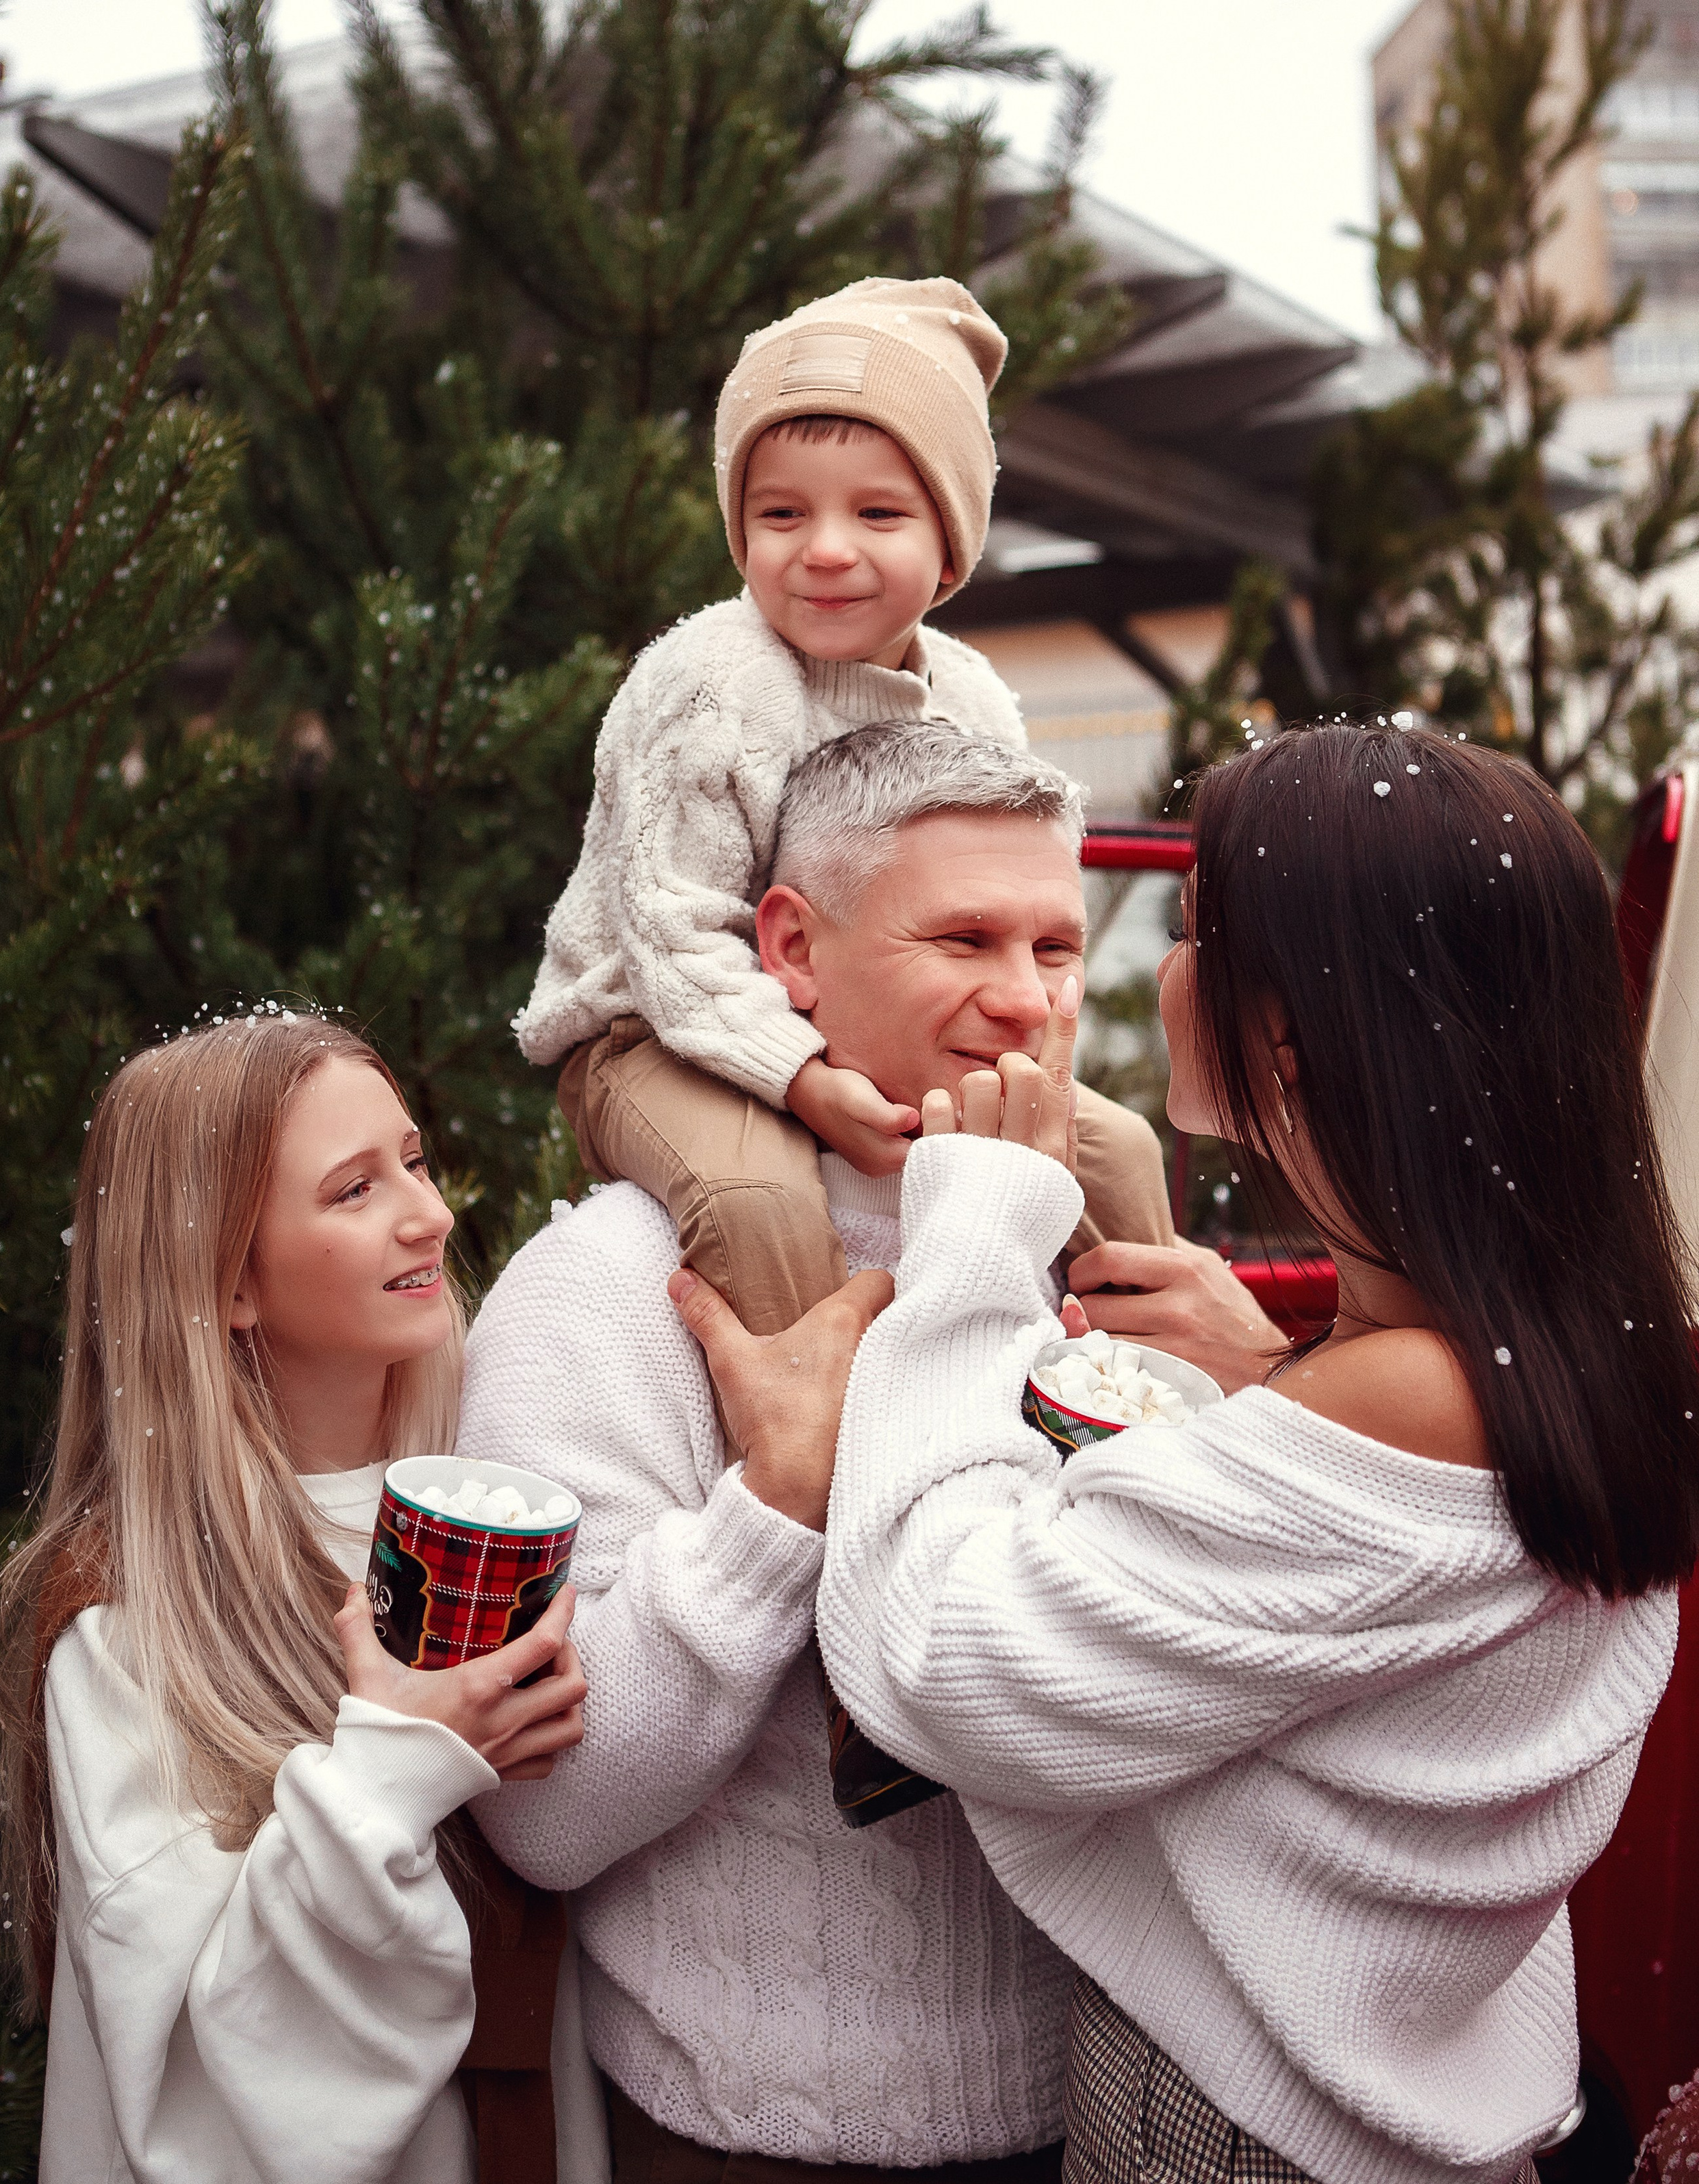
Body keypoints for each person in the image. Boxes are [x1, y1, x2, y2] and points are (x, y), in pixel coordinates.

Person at [669, 724, 1699, 2184]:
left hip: (1231, 2137)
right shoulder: (1550, 1349)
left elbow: (936, 1663)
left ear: (1292, 1029)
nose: (1055, 989)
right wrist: (1276, 1376)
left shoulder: (1396, 1402)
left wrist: (973, 1231)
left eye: (1189, 927)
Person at [458, 727, 1125, 2181]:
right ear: (790, 950)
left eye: (1055, 947)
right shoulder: (609, 1290)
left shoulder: (1108, 1268)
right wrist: (773, 1509)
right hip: (743, 2134)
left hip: (1097, 2107)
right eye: (962, 937)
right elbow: (541, 1815)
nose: (1023, 999)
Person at [0, 1014, 587, 2184]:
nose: (432, 1214)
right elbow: (208, 2091)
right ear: (229, 1277)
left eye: (414, 1158)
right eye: (355, 1189)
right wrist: (400, 1765)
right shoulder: (129, 1627)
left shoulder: (499, 1497)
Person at [513, 272, 1169, 1345]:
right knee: (756, 1203)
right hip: (658, 1032)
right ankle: (829, 1439)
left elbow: (1015, 896)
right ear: (740, 532)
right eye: (782, 513)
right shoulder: (709, 685)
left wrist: (1013, 1066)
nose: (824, 548)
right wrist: (804, 1079)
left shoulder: (972, 698)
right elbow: (671, 930)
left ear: (949, 549)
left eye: (877, 512)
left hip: (862, 1018)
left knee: (1118, 1152)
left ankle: (1128, 1384)